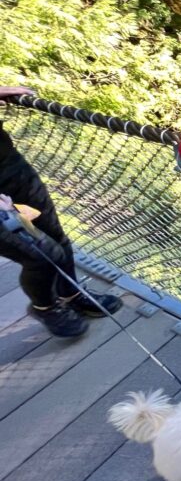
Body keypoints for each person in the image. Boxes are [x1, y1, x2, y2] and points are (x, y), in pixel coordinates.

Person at [0, 86, 123, 337]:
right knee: (40, 255)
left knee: (55, 236)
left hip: (8, 165)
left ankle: (72, 293)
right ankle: (45, 307)